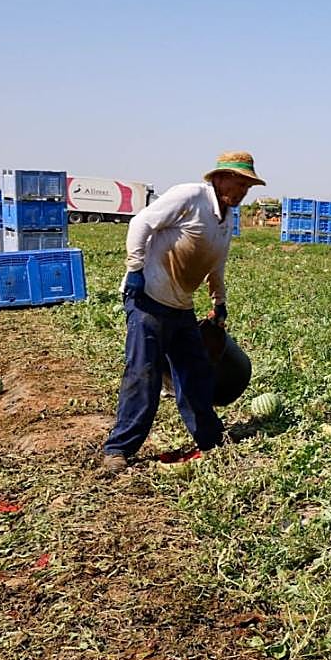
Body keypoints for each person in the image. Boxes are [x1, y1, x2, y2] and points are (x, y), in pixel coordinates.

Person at [101, 151, 264, 473]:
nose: (243, 190)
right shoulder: (190, 196)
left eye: (248, 185)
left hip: (181, 306)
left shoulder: (227, 217)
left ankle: (210, 439)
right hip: (148, 298)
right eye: (238, 181)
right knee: (143, 374)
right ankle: (119, 449)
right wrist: (135, 268)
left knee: (195, 374)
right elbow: (141, 222)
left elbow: (216, 264)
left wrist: (219, 302)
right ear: (219, 177)